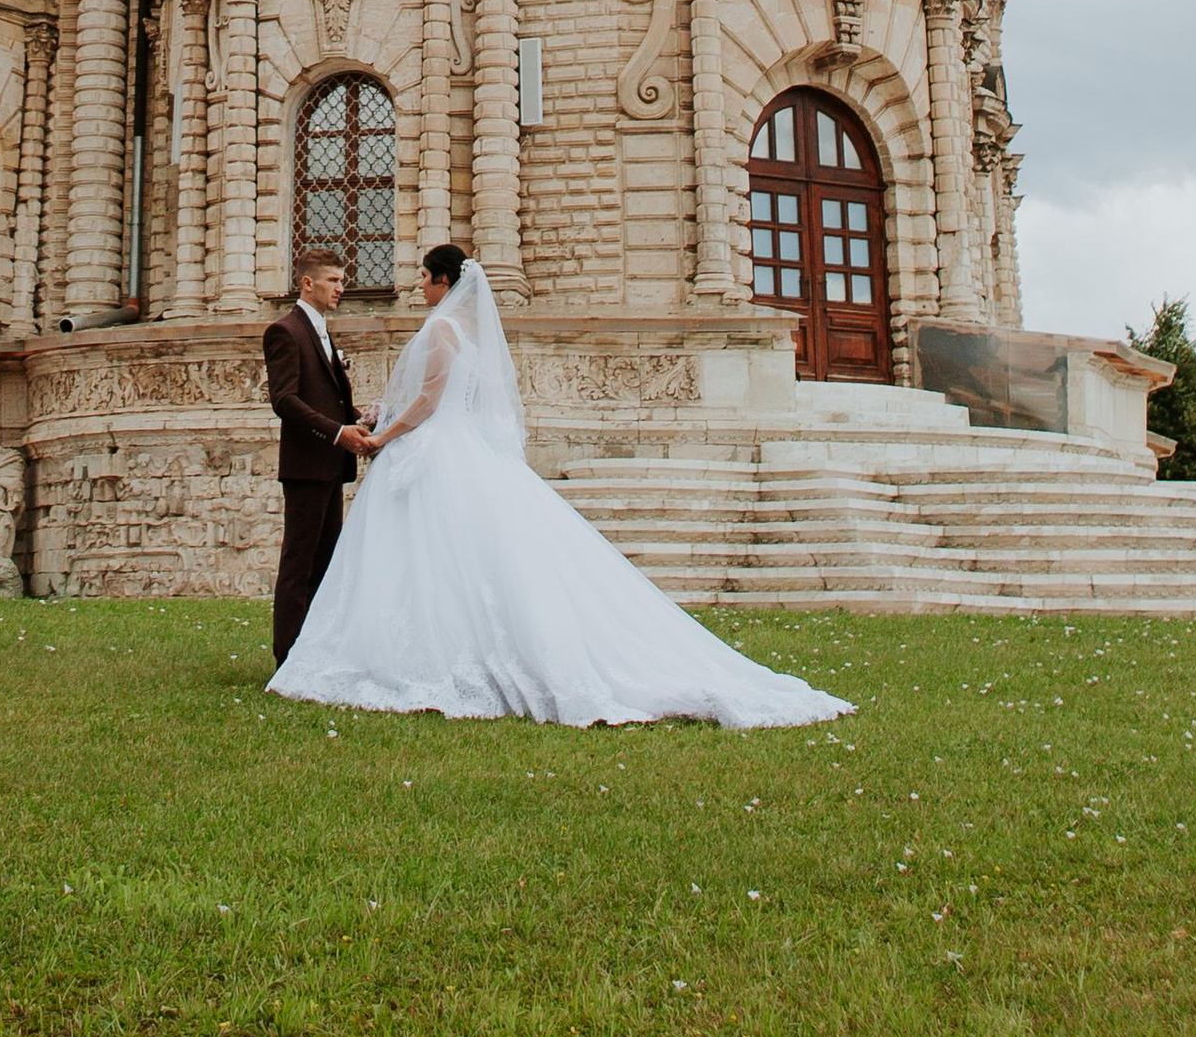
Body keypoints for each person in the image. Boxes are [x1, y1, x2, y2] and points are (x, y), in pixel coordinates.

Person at [270, 246, 851, 731]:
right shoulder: (465, 329)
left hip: (433, 448)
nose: (417, 285)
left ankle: (414, 653)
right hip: (446, 447)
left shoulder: (444, 327)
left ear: (444, 282)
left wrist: (385, 435)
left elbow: (428, 399)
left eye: (424, 277)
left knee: (431, 555)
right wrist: (374, 418)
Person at [263, 243, 367, 666]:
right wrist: (338, 433)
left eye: (342, 281)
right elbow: (285, 400)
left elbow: (328, 397)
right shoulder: (285, 331)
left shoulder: (321, 329)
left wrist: (362, 420)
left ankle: (315, 654)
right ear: (308, 283)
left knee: (326, 563)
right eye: (334, 281)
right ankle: (287, 658)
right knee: (299, 565)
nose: (341, 288)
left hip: (330, 466)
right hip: (306, 465)